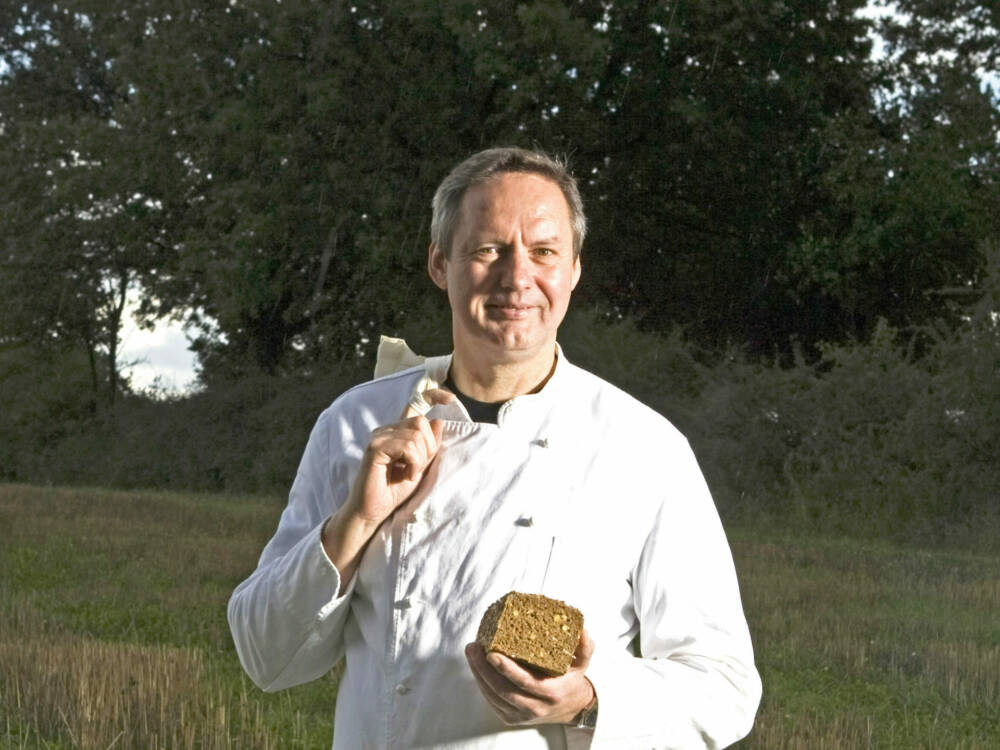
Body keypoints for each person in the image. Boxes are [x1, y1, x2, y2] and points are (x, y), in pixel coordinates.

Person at [228, 148, 761, 749]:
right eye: (488, 250)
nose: (517, 278)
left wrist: (589, 700)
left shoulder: (645, 448)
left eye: (544, 252)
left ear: (574, 270)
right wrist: (354, 522)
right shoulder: (357, 422)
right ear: (439, 262)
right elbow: (264, 657)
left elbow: (725, 685)